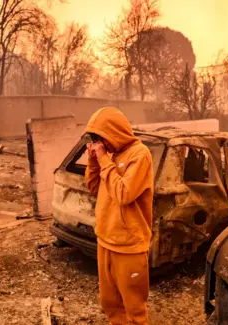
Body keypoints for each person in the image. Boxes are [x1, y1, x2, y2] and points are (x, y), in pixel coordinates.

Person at [85, 107, 154, 325]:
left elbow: (124, 194)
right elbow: (93, 187)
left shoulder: (140, 155)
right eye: (95, 139)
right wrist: (93, 162)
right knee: (110, 303)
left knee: (134, 309)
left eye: (101, 138)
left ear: (114, 132)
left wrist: (105, 161)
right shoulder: (111, 155)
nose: (99, 143)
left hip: (129, 245)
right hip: (105, 241)